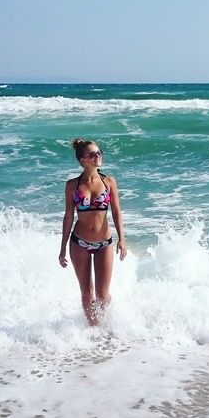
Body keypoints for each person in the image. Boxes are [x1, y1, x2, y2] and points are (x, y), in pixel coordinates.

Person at [59, 138, 127, 325]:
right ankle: (93, 329)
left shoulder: (108, 181)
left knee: (102, 294)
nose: (98, 156)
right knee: (87, 293)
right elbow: (68, 216)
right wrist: (63, 248)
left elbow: (116, 211)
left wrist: (122, 239)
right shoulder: (72, 185)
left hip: (104, 243)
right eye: (93, 154)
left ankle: (105, 322)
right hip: (79, 242)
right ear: (83, 160)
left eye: (99, 153)